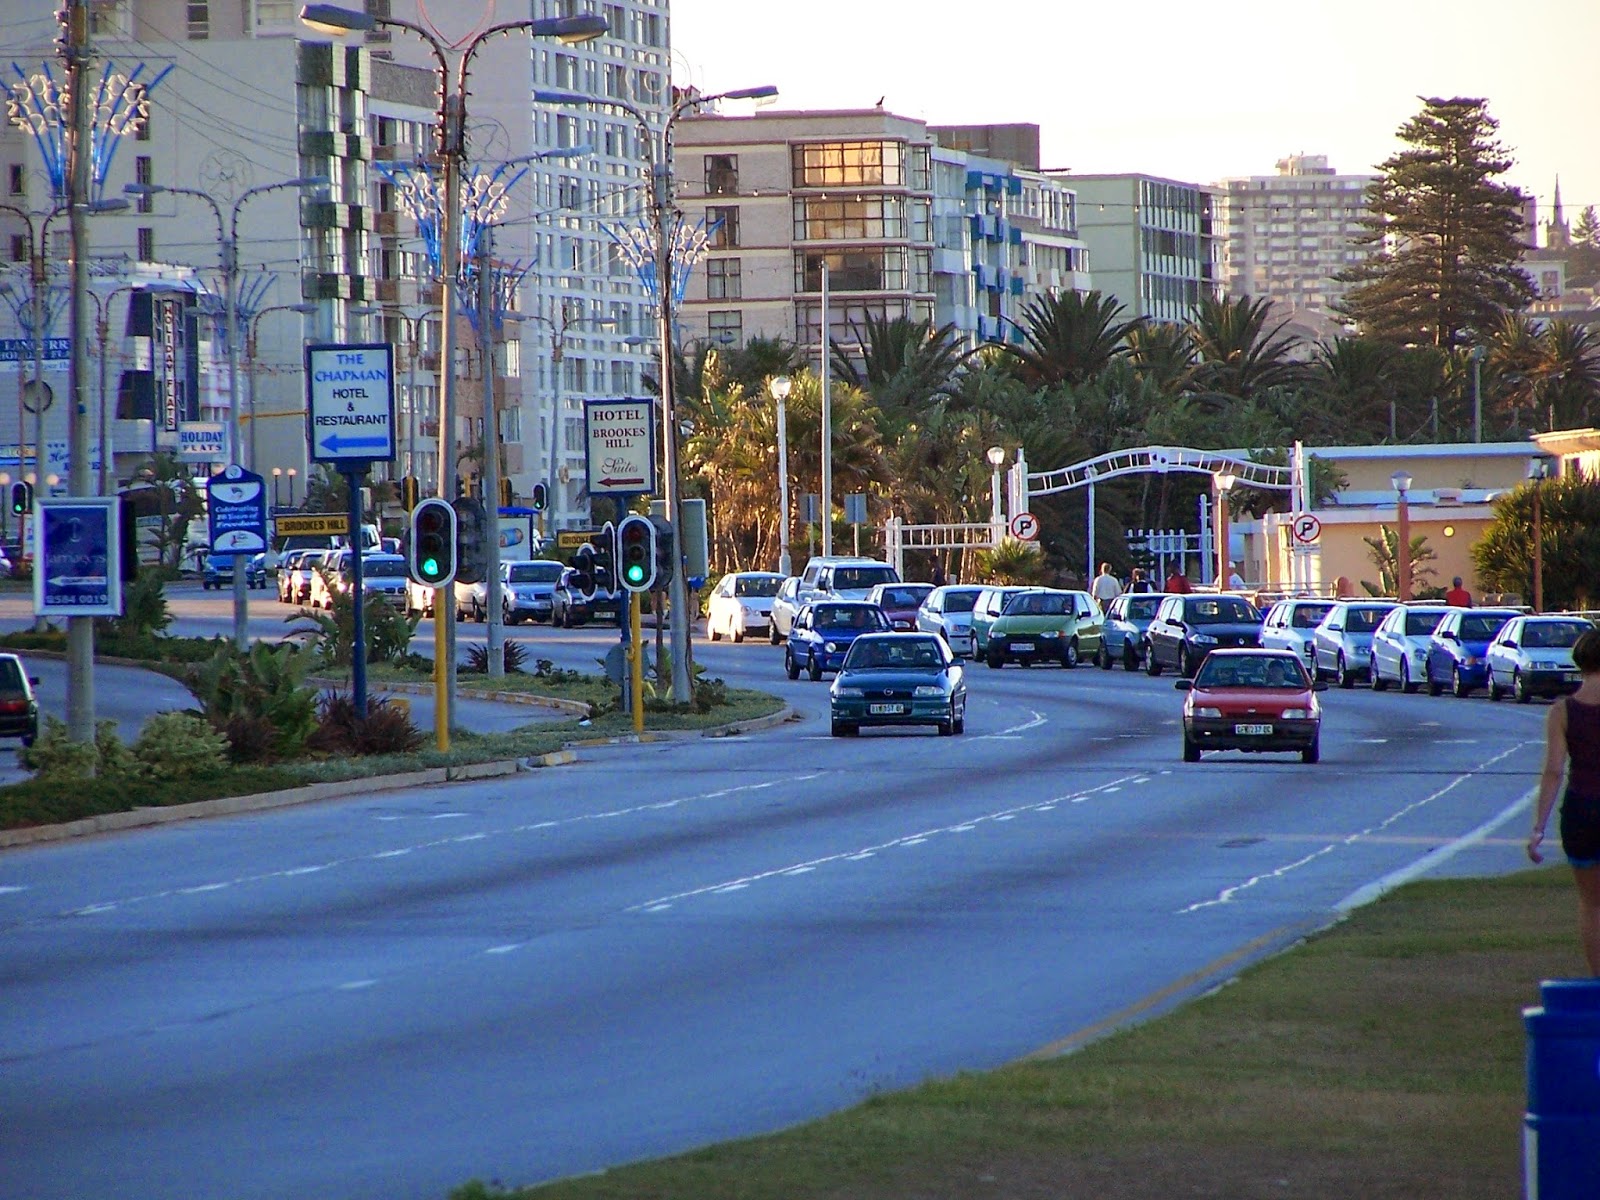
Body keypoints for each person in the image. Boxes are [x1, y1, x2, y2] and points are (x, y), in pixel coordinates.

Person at [1528, 628, 1600, 975]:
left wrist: (1539, 827)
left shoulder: (1562, 712)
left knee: (1591, 904)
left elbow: (1554, 771)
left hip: (1581, 809)